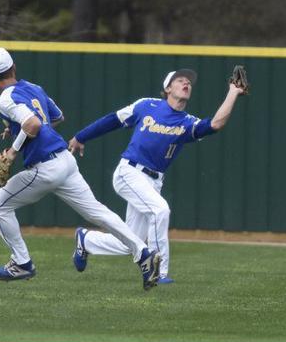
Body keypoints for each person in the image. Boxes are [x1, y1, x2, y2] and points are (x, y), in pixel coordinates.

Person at [0, 47, 160, 290]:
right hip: (66, 160)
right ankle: (143, 253)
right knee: (97, 212)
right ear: (14, 67)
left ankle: (21, 263)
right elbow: (55, 117)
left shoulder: (4, 99)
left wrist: (12, 151)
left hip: (45, 167)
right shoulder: (34, 88)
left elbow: (33, 123)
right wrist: (17, 129)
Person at [68, 69, 245, 283]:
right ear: (168, 88)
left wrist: (233, 92)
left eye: (189, 82)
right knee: (160, 210)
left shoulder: (187, 122)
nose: (186, 83)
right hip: (129, 172)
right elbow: (113, 120)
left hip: (154, 181)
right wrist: (81, 136)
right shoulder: (147, 105)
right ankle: (158, 272)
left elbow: (216, 124)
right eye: (180, 80)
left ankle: (86, 240)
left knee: (131, 241)